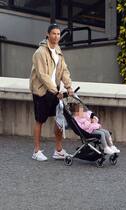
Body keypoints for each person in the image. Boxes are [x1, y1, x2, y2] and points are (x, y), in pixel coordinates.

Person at [30, 23, 74, 161]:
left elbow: (64, 70)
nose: (56, 36)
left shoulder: (58, 50)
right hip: (42, 91)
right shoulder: (40, 52)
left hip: (54, 90)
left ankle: (58, 150)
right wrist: (55, 91)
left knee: (59, 119)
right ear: (48, 34)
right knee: (40, 120)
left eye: (58, 34)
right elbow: (43, 75)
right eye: (53, 33)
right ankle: (36, 151)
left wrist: (69, 87)